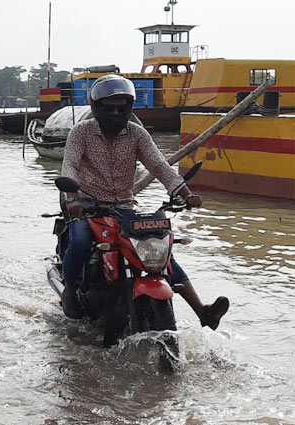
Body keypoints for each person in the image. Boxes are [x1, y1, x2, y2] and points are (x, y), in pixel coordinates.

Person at [60, 74, 229, 330]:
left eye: (122, 107)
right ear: (97, 107)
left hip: (125, 208)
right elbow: (69, 166)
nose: (116, 112)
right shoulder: (81, 132)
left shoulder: (137, 134)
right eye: (110, 107)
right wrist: (72, 198)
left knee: (161, 251)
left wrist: (185, 194)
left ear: (130, 107)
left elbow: (160, 166)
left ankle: (203, 311)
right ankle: (70, 291)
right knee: (80, 241)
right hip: (87, 206)